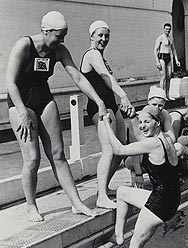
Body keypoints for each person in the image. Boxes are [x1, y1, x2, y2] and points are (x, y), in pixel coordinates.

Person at [6, 11, 108, 222]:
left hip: (43, 99)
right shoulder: (24, 45)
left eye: (64, 36)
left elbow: (77, 76)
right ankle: (31, 205)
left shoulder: (59, 50)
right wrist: (22, 112)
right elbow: (10, 81)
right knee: (33, 158)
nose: (61, 40)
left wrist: (99, 101)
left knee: (58, 154)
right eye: (58, 35)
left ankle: (77, 203)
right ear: (45, 31)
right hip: (20, 102)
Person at [103, 105, 180, 248]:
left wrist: (106, 124)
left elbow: (119, 150)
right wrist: (132, 118)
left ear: (157, 122)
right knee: (122, 192)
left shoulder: (153, 144)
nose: (143, 126)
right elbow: (140, 137)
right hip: (171, 199)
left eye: (147, 122)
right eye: (140, 122)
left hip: (160, 204)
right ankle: (118, 235)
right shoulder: (167, 138)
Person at [80, 20, 134, 209]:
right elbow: (104, 76)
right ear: (92, 36)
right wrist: (124, 96)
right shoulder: (92, 54)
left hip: (111, 106)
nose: (104, 39)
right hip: (100, 107)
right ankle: (101, 196)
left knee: (120, 149)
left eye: (106, 36)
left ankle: (103, 188)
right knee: (109, 150)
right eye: (100, 35)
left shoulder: (101, 56)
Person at [125, 86, 175, 188]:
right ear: (148, 102)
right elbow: (134, 151)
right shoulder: (137, 118)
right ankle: (135, 174)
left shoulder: (164, 114)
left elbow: (172, 138)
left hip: (154, 155)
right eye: (154, 104)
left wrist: (156, 142)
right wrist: (139, 174)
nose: (157, 108)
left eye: (160, 105)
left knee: (178, 149)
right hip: (136, 157)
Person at [154, 23, 180, 100]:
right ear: (164, 29)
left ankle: (167, 94)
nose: (167, 31)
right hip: (162, 57)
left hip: (168, 57)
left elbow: (173, 50)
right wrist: (157, 61)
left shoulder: (170, 39)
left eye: (169, 29)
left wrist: (176, 60)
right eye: (166, 29)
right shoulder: (160, 38)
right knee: (163, 77)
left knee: (169, 76)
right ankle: (162, 95)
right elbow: (155, 50)